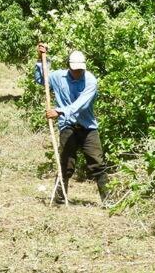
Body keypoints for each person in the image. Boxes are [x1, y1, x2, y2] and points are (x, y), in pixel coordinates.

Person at [35, 43, 108, 204]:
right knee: (66, 162)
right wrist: (41, 58)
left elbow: (80, 104)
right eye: (75, 69)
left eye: (80, 69)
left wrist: (59, 111)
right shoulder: (58, 77)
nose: (77, 72)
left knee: (97, 163)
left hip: (88, 127)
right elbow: (42, 79)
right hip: (67, 126)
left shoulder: (90, 81)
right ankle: (60, 198)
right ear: (69, 66)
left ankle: (108, 200)